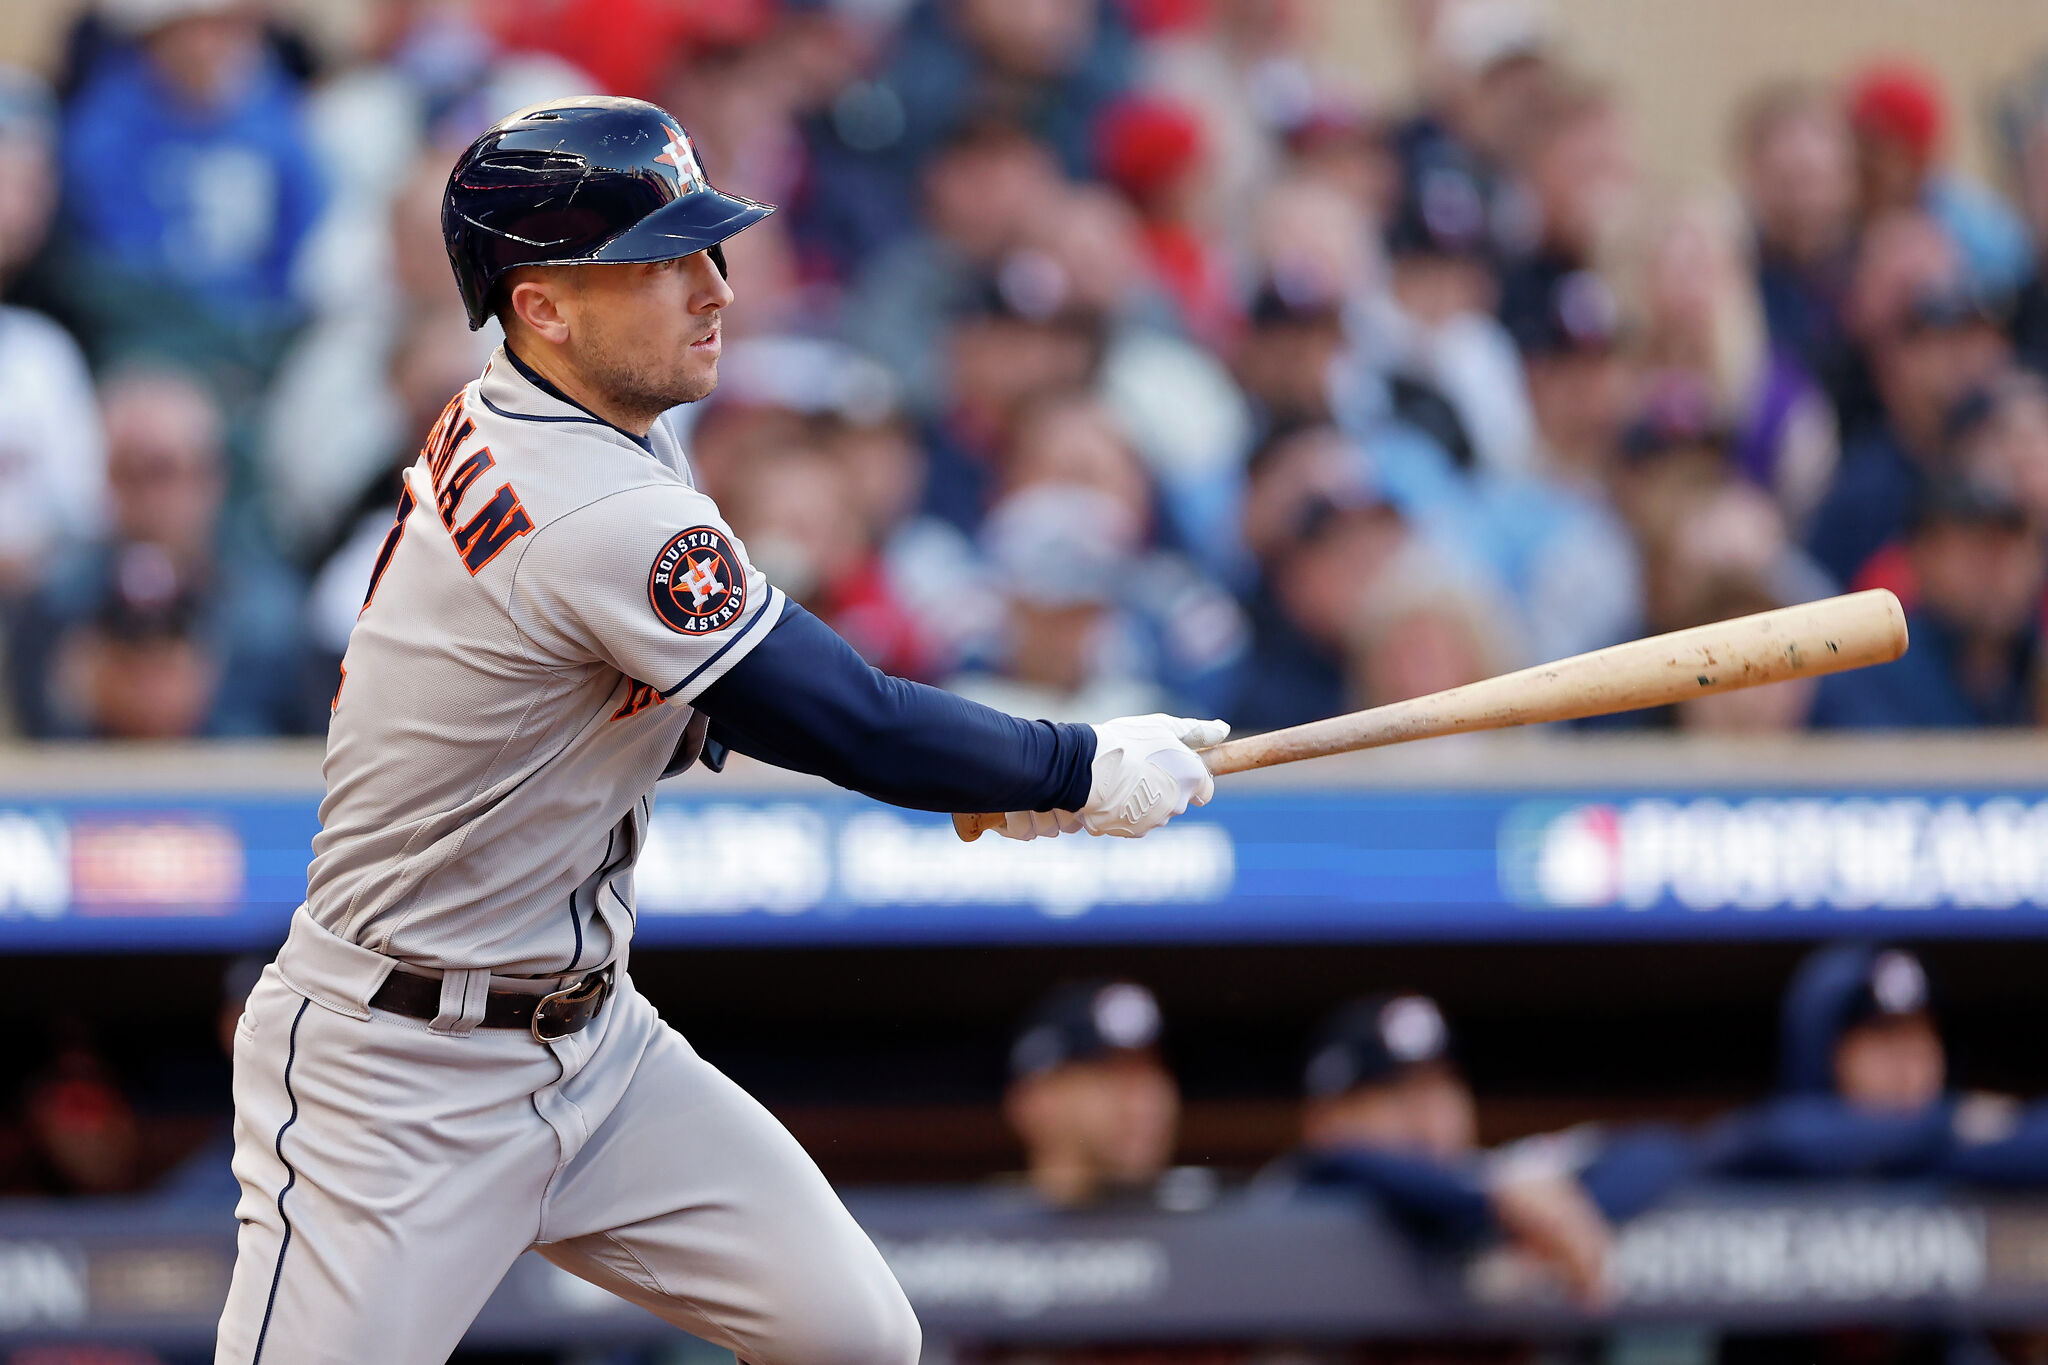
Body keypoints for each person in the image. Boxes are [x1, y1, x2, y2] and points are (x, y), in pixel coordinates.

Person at [218, 96, 1226, 1364]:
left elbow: (663, 697)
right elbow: (852, 719)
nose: (715, 289)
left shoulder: (552, 412)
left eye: (709, 250)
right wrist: (1072, 766)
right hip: (394, 1075)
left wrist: (989, 779)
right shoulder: (597, 503)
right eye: (661, 263)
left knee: (857, 1340)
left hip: (594, 1049)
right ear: (542, 304)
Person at [1274, 994, 1687, 1309]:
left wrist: (1566, 1217)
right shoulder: (1296, 1187)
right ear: (1327, 1120)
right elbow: (1337, 1163)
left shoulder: (1500, 1177)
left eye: (1442, 1087)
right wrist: (1492, 1202)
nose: (1430, 1114)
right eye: (1396, 1095)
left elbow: (1657, 1147)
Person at [8, 368, 304, 738]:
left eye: (163, 472)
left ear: (212, 478)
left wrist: (199, 710)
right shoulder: (56, 604)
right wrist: (86, 704)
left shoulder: (272, 612)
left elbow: (297, 755)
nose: (149, 498)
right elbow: (38, 753)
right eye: (129, 473)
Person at [0, 68, 105, 608]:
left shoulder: (45, 351)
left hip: (28, 618)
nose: (34, 197)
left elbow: (84, 521)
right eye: (16, 174)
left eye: (41, 178)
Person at [1002, 980, 1194, 1210]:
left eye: (1153, 1070)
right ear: (1036, 1101)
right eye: (1114, 1075)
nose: (1144, 1102)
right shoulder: (969, 1236)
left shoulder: (1213, 1232)